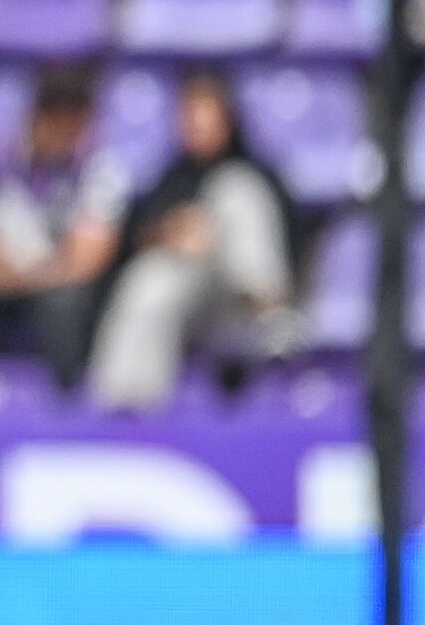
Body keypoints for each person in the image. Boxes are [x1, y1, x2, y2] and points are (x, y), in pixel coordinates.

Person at [86, 70, 298, 411]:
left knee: (236, 193)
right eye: (189, 118)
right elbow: (135, 238)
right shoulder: (171, 177)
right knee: (151, 278)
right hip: (192, 301)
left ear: (227, 120)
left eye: (205, 117)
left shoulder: (256, 170)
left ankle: (267, 311)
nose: (196, 127)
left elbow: (291, 234)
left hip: (242, 304)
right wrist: (174, 232)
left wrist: (213, 231)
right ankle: (125, 404)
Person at [0, 67, 124, 390]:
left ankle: (66, 404)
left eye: (75, 125)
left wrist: (44, 277)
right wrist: (7, 275)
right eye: (57, 122)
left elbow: (89, 257)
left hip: (58, 279)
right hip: (3, 276)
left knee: (65, 303)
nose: (67, 134)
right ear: (38, 116)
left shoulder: (98, 170)